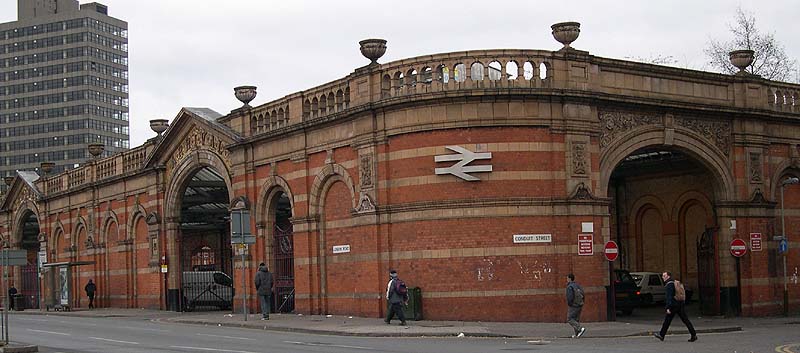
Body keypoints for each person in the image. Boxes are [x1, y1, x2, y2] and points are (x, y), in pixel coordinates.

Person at [653, 271, 697, 342]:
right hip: (680, 303)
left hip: (673, 305)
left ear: (668, 276)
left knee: (667, 321)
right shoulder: (674, 282)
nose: (662, 277)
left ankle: (661, 335)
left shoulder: (669, 284)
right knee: (685, 320)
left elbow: (669, 297)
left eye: (664, 276)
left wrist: (668, 307)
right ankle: (693, 334)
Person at [565, 273, 586, 338]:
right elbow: (583, 293)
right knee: (576, 319)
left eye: (567, 278)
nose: (566, 279)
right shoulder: (578, 285)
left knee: (570, 318)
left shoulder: (570, 286)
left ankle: (580, 328)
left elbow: (570, 297)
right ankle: (577, 333)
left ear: (569, 278)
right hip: (580, 304)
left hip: (573, 305)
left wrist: (570, 304)